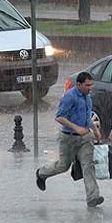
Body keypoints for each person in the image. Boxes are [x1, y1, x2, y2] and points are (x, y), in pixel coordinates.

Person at [35, 72, 104, 208]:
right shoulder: (69, 97)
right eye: (87, 85)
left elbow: (86, 115)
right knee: (63, 165)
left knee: (88, 166)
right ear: (78, 84)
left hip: (85, 139)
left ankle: (92, 197)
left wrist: (95, 130)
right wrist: (76, 128)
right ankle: (41, 173)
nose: (90, 88)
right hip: (68, 138)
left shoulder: (87, 97)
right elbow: (59, 117)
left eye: (91, 85)